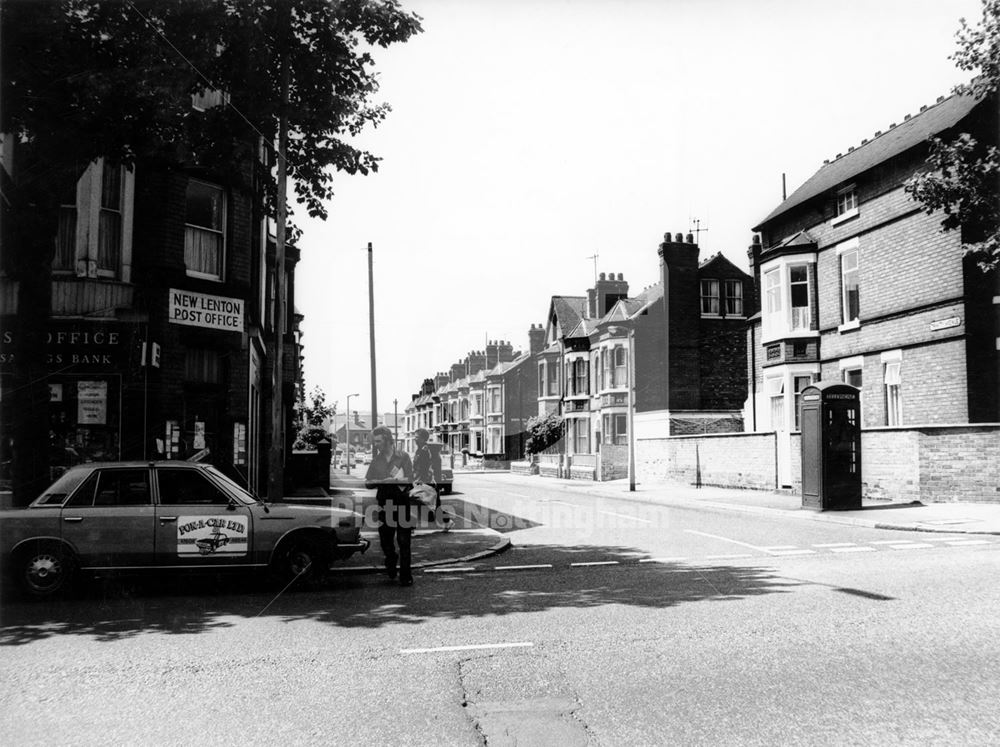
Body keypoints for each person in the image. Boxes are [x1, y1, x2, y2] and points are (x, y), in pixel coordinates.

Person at [365, 426, 416, 586]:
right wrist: (379, 482)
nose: (376, 444)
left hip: (402, 504)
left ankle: (406, 576)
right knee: (386, 541)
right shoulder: (376, 460)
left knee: (404, 541)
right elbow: (368, 482)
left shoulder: (403, 457)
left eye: (379, 441)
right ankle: (391, 559)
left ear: (387, 439)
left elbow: (410, 479)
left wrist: (393, 481)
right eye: (375, 441)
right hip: (384, 505)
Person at [412, 427, 452, 529]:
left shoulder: (424, 450)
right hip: (425, 482)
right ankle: (447, 521)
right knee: (434, 506)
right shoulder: (420, 450)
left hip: (425, 482)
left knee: (414, 501)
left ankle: (410, 525)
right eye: (414, 437)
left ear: (423, 439)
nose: (414, 439)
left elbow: (424, 468)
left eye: (417, 437)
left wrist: (419, 482)